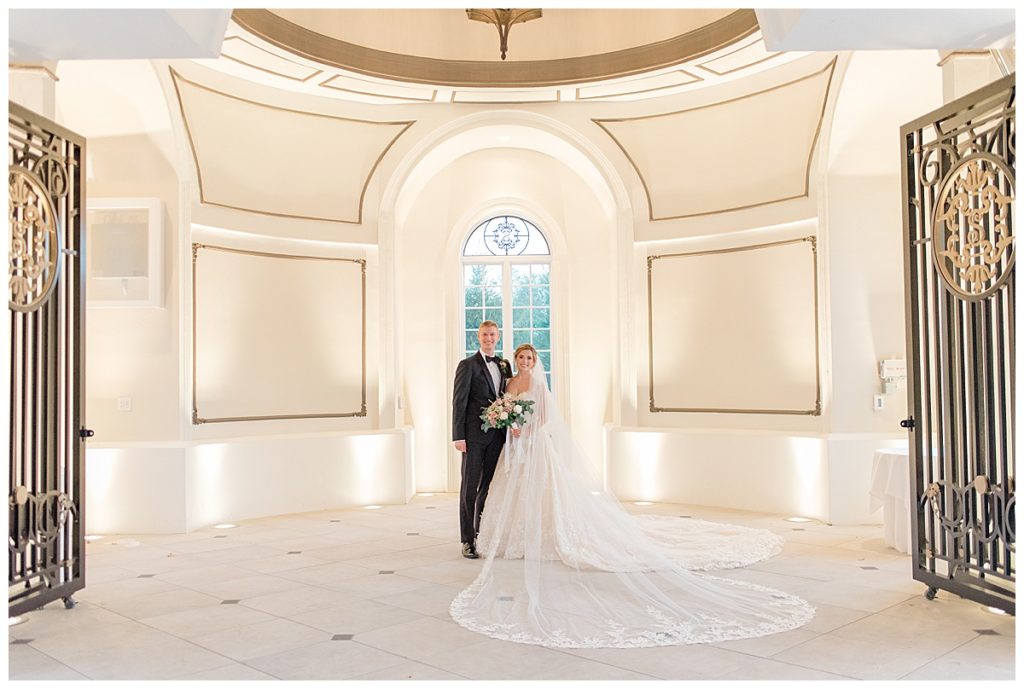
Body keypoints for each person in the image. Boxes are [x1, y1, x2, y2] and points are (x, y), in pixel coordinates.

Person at [450, 343, 815, 648]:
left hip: (533, 445)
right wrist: (510, 423)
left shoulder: (540, 384)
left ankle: (542, 534)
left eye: (530, 358)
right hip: (512, 447)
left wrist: (526, 430)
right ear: (515, 359)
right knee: (499, 488)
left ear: (535, 360)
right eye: (522, 357)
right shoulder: (509, 380)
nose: (526, 362)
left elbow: (544, 416)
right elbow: (498, 408)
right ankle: (498, 536)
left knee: (542, 491)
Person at [452, 321, 511, 559]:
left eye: (492, 335)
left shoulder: (503, 365)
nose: (489, 338)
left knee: (488, 487)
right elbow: (459, 402)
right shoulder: (468, 365)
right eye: (485, 334)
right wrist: (459, 436)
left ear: (498, 337)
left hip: (498, 437)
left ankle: (480, 534)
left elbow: (508, 398)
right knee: (469, 488)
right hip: (474, 437)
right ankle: (466, 540)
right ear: (479, 337)